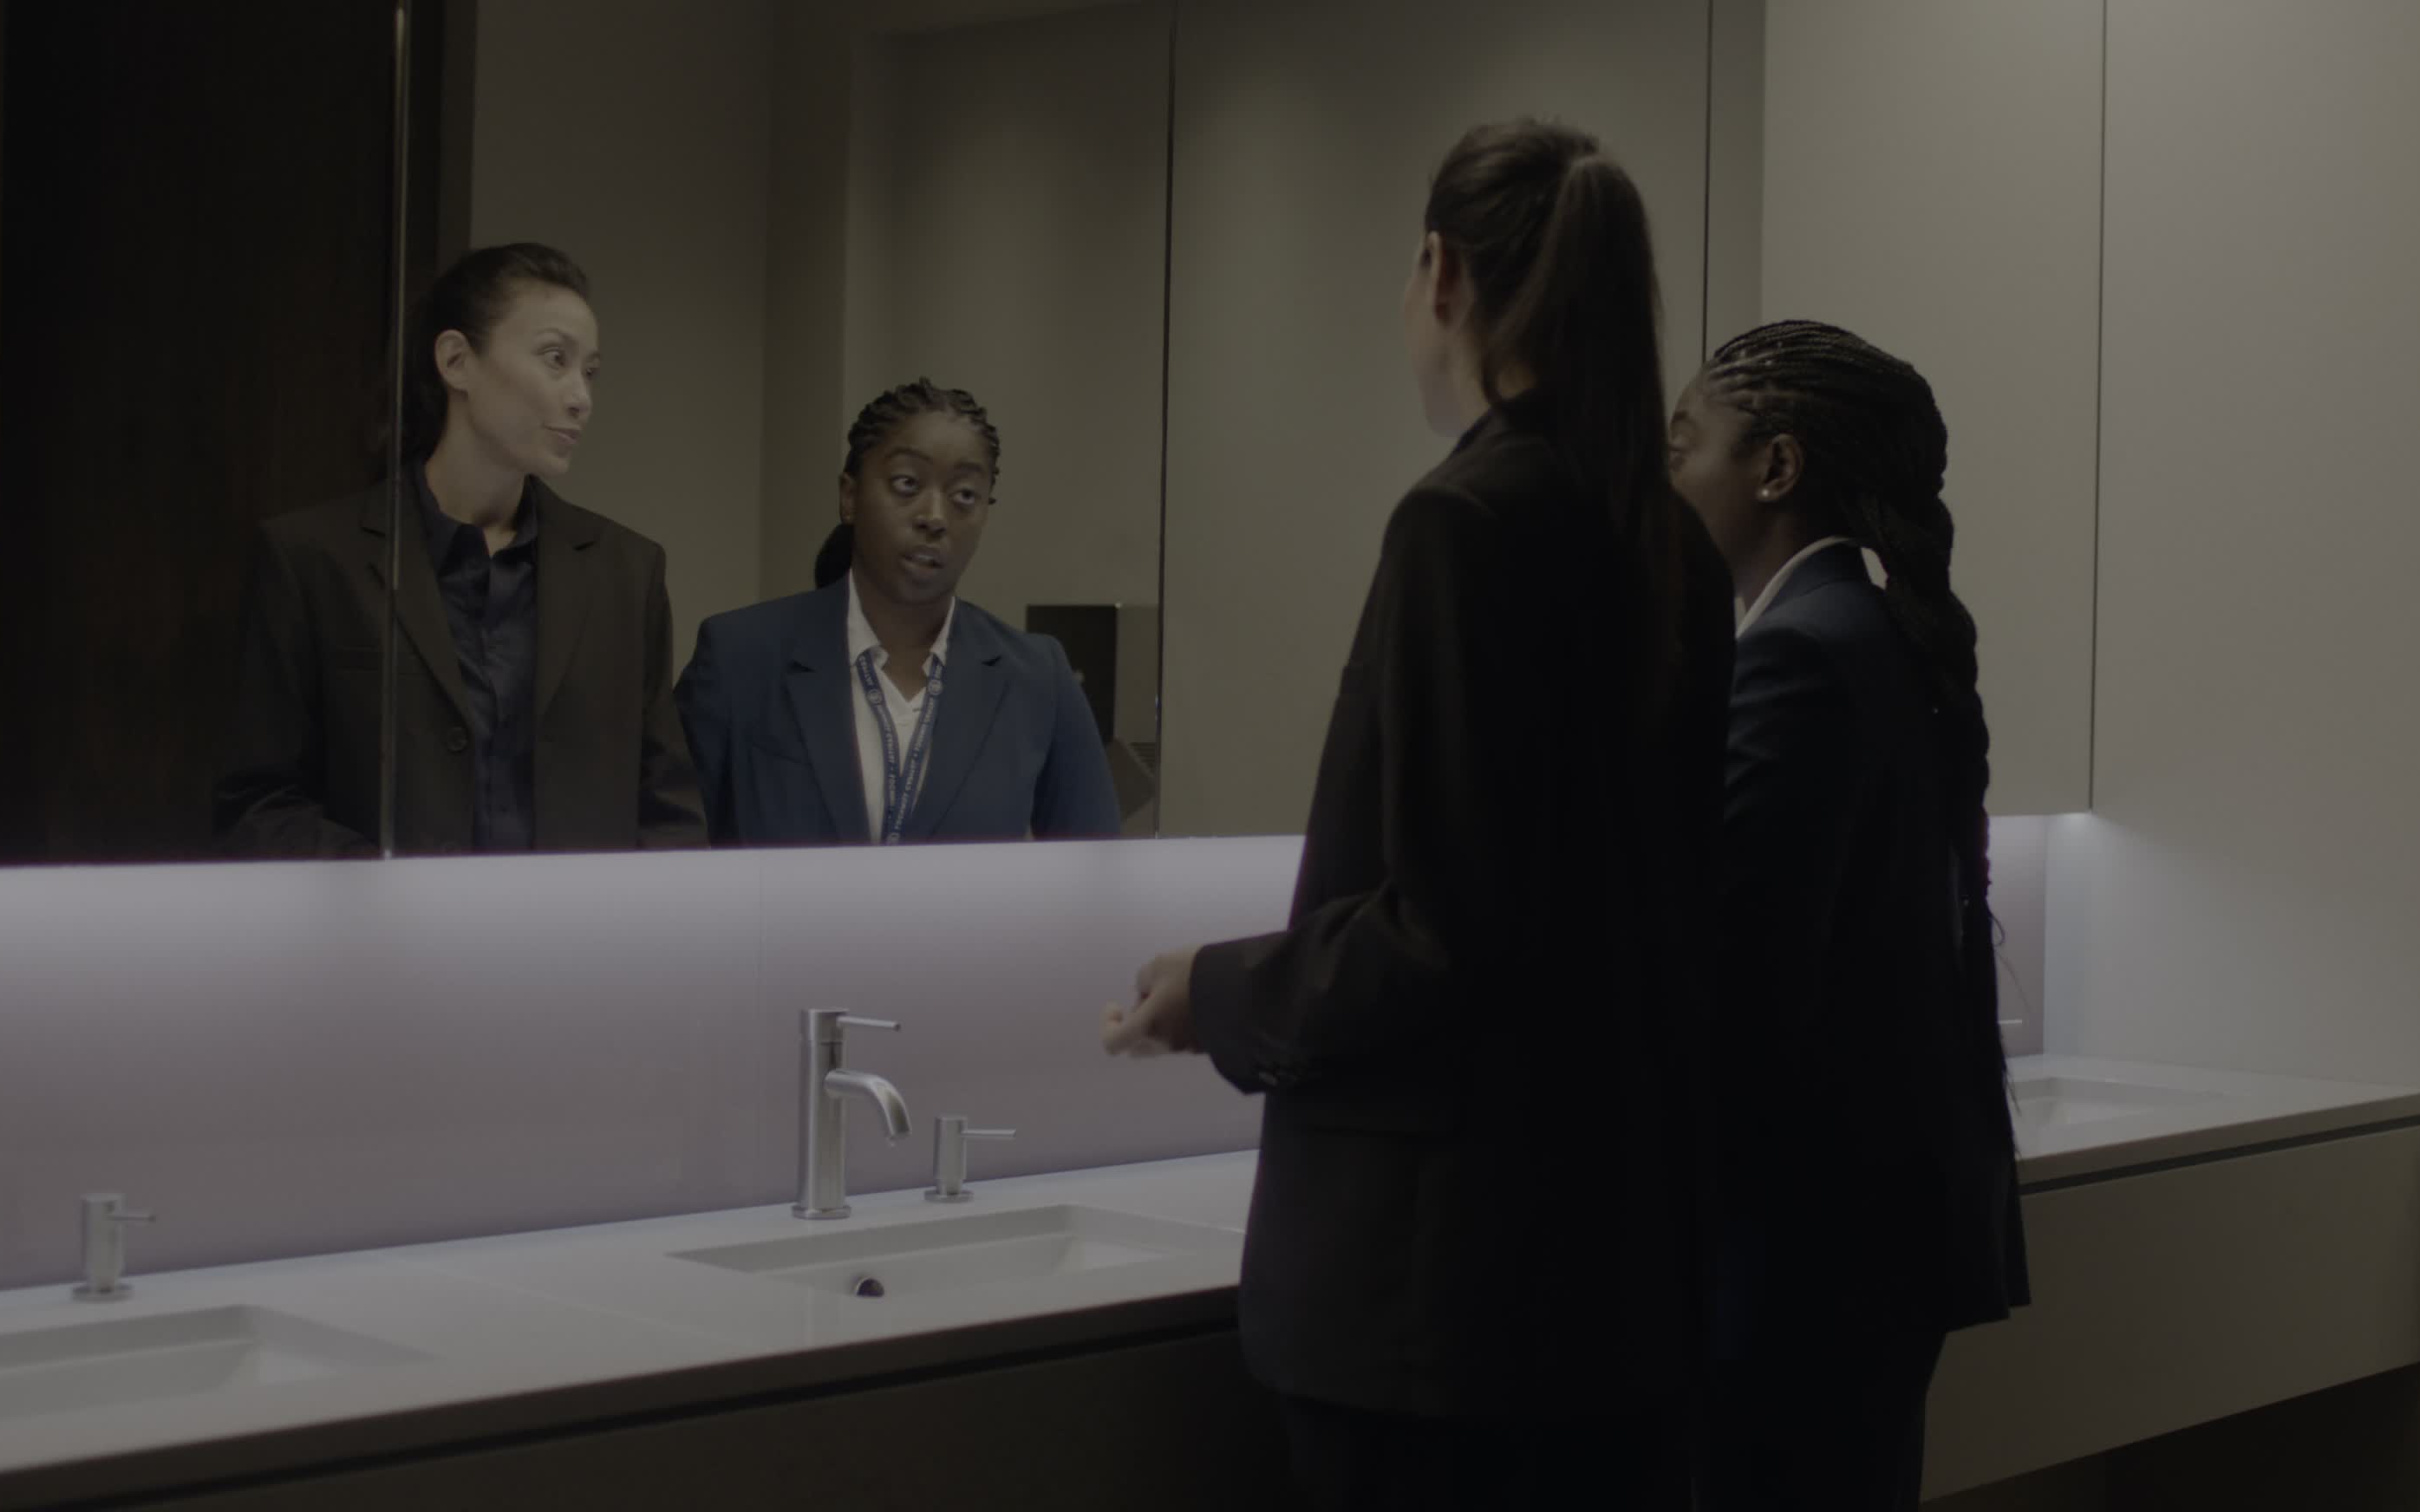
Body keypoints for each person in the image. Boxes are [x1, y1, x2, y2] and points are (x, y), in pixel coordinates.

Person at [1100, 121, 1733, 1509]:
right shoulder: (1670, 541)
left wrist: (1218, 991)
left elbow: (1449, 929)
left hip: (1437, 1297)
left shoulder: (1466, 523)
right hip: (1620, 1270)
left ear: (1441, 272)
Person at [1662, 319, 2030, 1509]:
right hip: (1870, 1256)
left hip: (1792, 1269)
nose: (1664, 481)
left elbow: (1737, 990)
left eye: (1683, 446)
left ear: (1776, 467)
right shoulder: (1879, 639)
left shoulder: (1798, 658)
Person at [214, 243, 704, 856]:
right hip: (381, 915)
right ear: (455, 361)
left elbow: (668, 811)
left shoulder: (625, 571)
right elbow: (259, 806)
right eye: (555, 359)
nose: (581, 396)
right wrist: (394, 889)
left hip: (580, 919)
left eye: (590, 371)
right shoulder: (313, 558)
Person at [675, 380, 1119, 845]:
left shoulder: (1036, 678)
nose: (935, 517)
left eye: (964, 495)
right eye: (907, 484)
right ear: (849, 496)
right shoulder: (740, 658)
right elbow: (672, 846)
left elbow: (1095, 868)